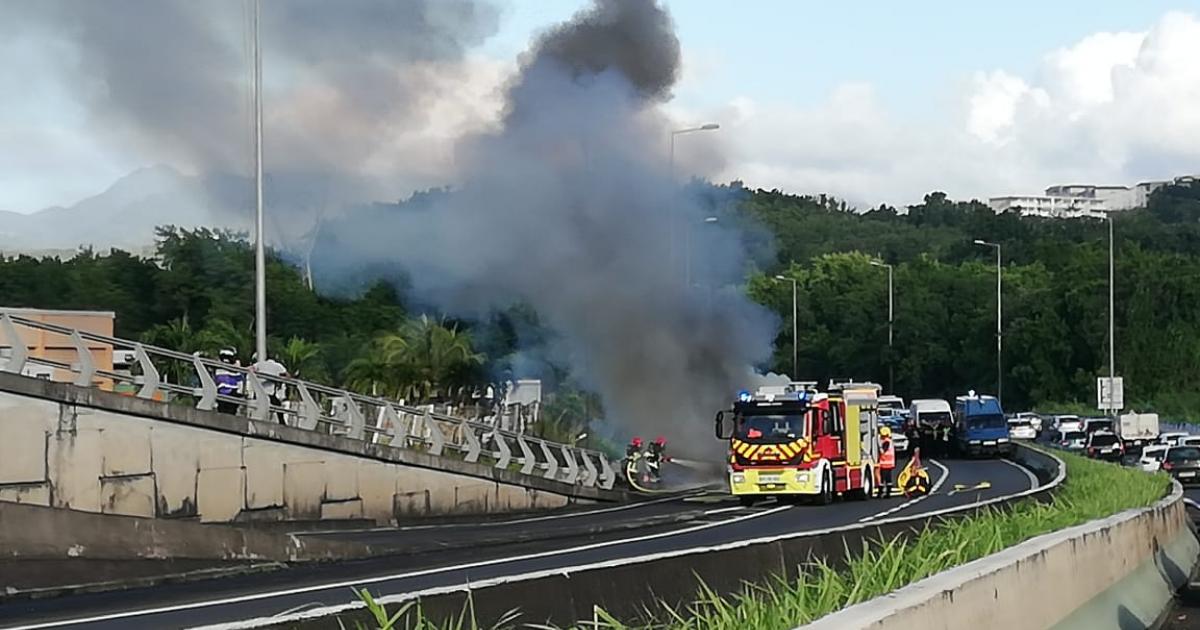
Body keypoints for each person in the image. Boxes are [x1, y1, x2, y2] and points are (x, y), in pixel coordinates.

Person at [251, 353, 289, 424]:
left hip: (258, 392)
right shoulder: (278, 366)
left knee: (257, 407)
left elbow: (250, 369)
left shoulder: (259, 364)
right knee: (278, 407)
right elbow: (287, 376)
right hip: (270, 393)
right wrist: (278, 379)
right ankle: (282, 422)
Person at [214, 348, 244, 415]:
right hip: (224, 391)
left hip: (231, 391)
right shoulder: (219, 367)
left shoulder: (236, 368)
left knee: (229, 411)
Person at [877, 425, 897, 498]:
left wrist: (879, 446)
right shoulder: (890, 441)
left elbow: (883, 451)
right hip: (889, 463)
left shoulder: (886, 442)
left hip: (885, 464)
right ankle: (887, 493)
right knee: (888, 479)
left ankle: (882, 493)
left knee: (883, 479)